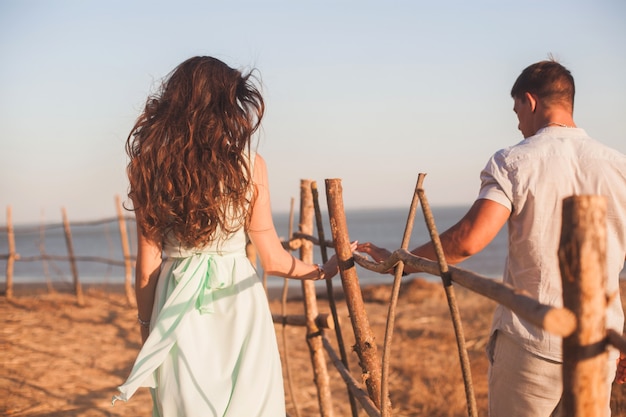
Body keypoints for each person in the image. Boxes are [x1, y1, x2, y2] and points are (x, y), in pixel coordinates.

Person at [357, 59, 626, 416]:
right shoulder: (618, 165)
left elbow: (469, 239)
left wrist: (403, 263)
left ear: (530, 101)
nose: (518, 123)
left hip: (533, 344)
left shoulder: (515, 160)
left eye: (517, 111)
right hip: (600, 343)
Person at [112, 56, 351, 416]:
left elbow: (148, 261)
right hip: (240, 304)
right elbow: (272, 259)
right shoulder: (250, 164)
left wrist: (148, 327)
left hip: (175, 304)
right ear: (227, 105)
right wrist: (320, 269)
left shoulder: (148, 166)